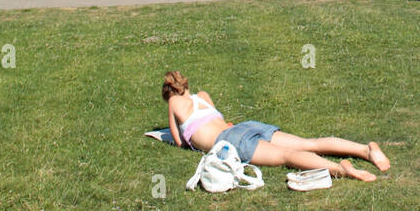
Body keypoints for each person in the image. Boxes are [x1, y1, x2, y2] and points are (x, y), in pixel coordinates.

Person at [162, 71, 390, 182]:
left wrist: (182, 137)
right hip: (245, 126)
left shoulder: (173, 102)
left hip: (229, 140)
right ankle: (365, 149)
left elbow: (180, 140)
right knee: (309, 143)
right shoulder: (203, 96)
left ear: (169, 92)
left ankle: (341, 170)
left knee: (288, 156)